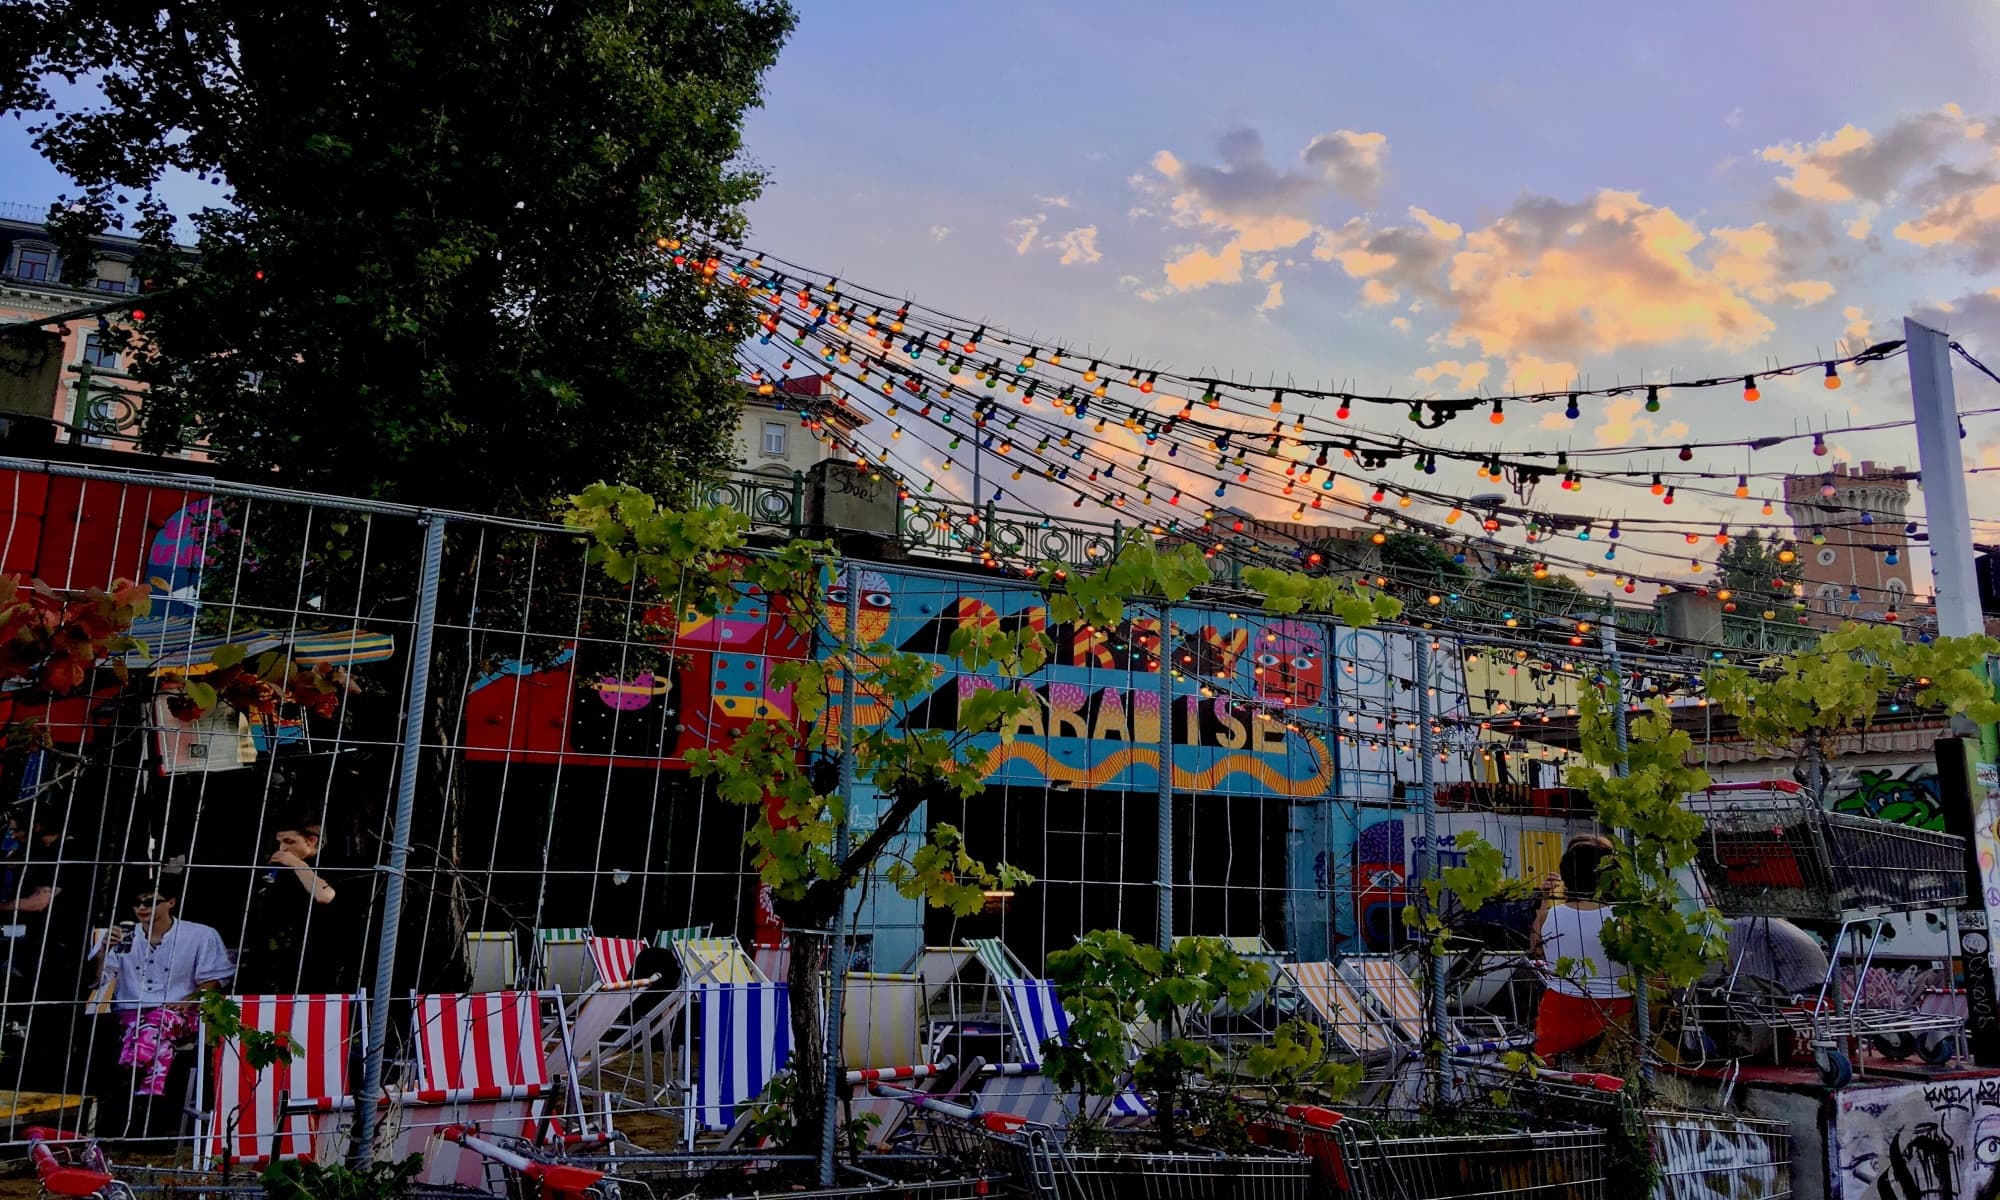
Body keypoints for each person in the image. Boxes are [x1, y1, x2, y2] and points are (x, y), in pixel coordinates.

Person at [93, 878, 233, 1097]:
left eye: (150, 902)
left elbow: (214, 980)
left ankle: (133, 1064)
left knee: (159, 1021)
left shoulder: (200, 935)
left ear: (171, 902)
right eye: (137, 902)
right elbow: (97, 982)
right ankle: (150, 1091)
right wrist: (103, 951)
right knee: (156, 1034)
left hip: (181, 1013)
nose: (141, 907)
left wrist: (188, 1000)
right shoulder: (123, 936)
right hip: (131, 1015)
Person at [1531, 834, 1634, 1059]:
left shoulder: (1550, 916)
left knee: (1557, 1077)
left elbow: (1537, 948)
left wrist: (1545, 899)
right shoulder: (1625, 920)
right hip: (1614, 1011)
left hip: (1560, 1010)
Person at [236, 815, 354, 994]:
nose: (283, 848)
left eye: (289, 842)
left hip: (318, 957)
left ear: (311, 840)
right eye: (280, 842)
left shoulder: (331, 864)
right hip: (275, 954)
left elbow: (324, 895)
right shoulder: (278, 869)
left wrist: (295, 863)